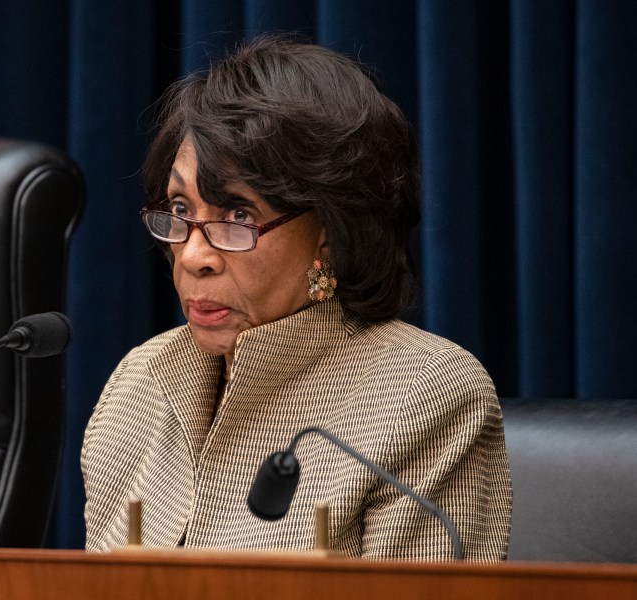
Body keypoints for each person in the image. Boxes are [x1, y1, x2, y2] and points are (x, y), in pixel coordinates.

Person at [81, 35, 511, 560]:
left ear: (330, 231)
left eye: (239, 215)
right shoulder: (142, 382)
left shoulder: (426, 395)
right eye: (180, 206)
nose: (194, 256)